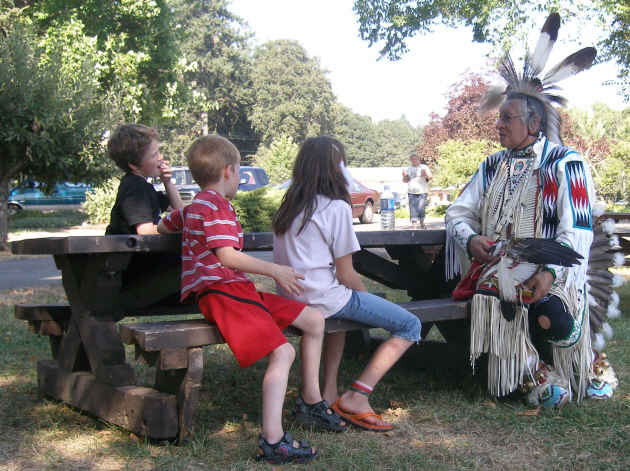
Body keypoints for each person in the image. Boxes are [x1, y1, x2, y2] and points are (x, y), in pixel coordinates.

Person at [444, 13, 617, 407]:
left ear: (534, 122)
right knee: (494, 287)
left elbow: (579, 227)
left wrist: (552, 270)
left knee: (550, 311)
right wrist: (470, 239)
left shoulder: (563, 163)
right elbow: (457, 212)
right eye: (499, 118)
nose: (499, 126)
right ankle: (531, 373)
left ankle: (586, 365)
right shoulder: (491, 166)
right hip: (502, 264)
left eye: (508, 118)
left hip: (560, 263)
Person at [158, 135, 344, 465]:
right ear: (229, 171)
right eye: (240, 172)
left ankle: (311, 402)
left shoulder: (195, 207)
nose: (240, 179)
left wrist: (171, 193)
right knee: (283, 352)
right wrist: (275, 270)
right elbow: (227, 256)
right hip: (222, 293)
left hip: (237, 291)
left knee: (314, 319)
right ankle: (272, 441)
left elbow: (164, 225)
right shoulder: (215, 207)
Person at [273, 136, 421, 432]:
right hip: (323, 297)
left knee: (339, 315)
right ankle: (357, 395)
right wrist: (365, 297)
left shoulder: (289, 206)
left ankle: (327, 394)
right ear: (334, 169)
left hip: (293, 299)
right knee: (410, 325)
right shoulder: (335, 207)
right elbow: (346, 274)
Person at [106, 124, 183, 235]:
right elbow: (146, 232)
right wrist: (173, 228)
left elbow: (180, 212)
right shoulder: (134, 187)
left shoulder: (144, 186)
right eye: (154, 155)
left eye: (159, 152)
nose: (160, 157)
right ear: (134, 165)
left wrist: (167, 182)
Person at [402, 152, 432, 229]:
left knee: (421, 208)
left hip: (422, 192)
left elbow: (430, 178)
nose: (414, 161)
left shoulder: (424, 167)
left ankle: (422, 222)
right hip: (411, 192)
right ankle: (414, 226)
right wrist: (404, 176)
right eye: (412, 159)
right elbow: (405, 181)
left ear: (419, 159)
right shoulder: (408, 169)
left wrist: (425, 174)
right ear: (410, 160)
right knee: (413, 209)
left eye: (415, 159)